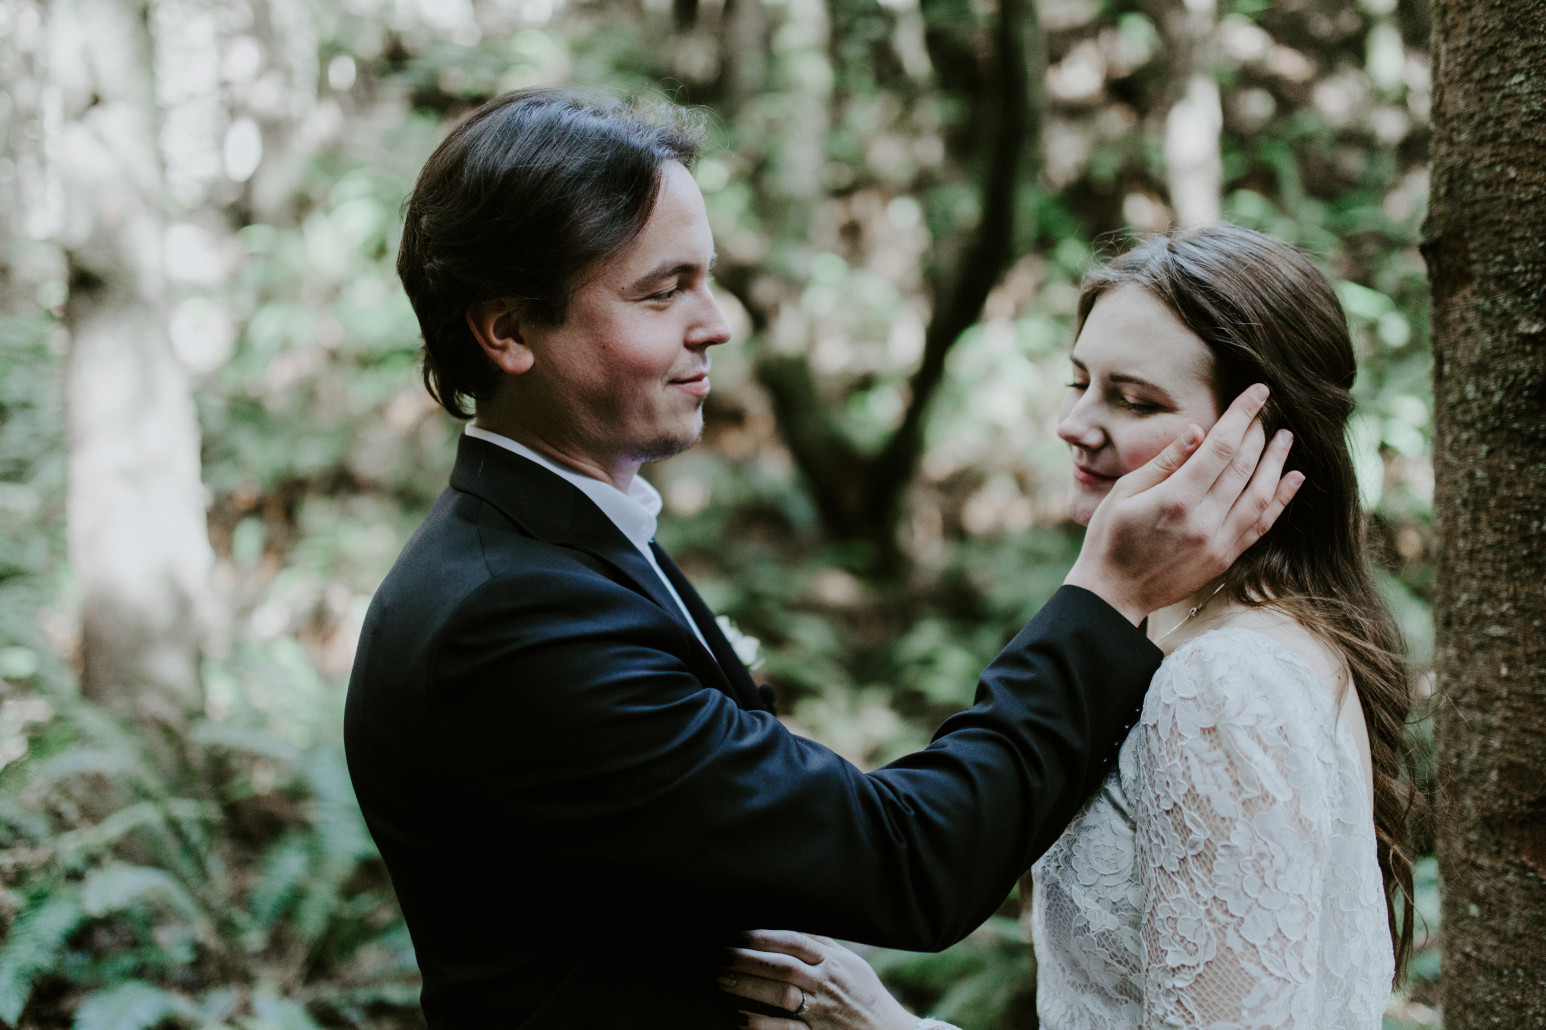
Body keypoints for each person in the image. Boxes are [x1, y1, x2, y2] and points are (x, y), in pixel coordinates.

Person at [343, 89, 1301, 1030]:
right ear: (507, 329)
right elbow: (905, 861)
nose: (715, 322)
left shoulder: (560, 543)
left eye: (707, 277)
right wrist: (1108, 594)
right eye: (662, 290)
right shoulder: (509, 618)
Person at [718, 224, 1415, 1029]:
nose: (1075, 423)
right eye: (1079, 381)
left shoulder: (1225, 681)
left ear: (1254, 441)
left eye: (1135, 400)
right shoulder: (1201, 638)